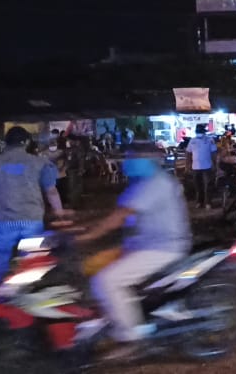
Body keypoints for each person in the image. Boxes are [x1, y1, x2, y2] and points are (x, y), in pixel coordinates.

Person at [77, 143, 191, 361]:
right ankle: (113, 318)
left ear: (147, 161)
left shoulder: (155, 183)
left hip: (162, 248)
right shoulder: (143, 183)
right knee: (91, 266)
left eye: (131, 158)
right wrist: (79, 228)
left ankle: (131, 339)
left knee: (107, 280)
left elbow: (117, 219)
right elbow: (116, 214)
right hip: (141, 245)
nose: (126, 163)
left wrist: (85, 236)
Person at [0, 127, 70, 282]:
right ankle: (27, 293)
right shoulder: (39, 163)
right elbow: (51, 191)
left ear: (6, 143)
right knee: (31, 264)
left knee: (2, 265)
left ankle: (3, 292)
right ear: (26, 142)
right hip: (32, 220)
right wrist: (59, 211)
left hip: (1, 222)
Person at [185, 124, 217, 209]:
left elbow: (214, 153)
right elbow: (188, 153)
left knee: (208, 186)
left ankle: (208, 202)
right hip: (196, 167)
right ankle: (200, 202)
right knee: (198, 186)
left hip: (207, 166)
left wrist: (215, 164)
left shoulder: (210, 140)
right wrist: (187, 165)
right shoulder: (192, 141)